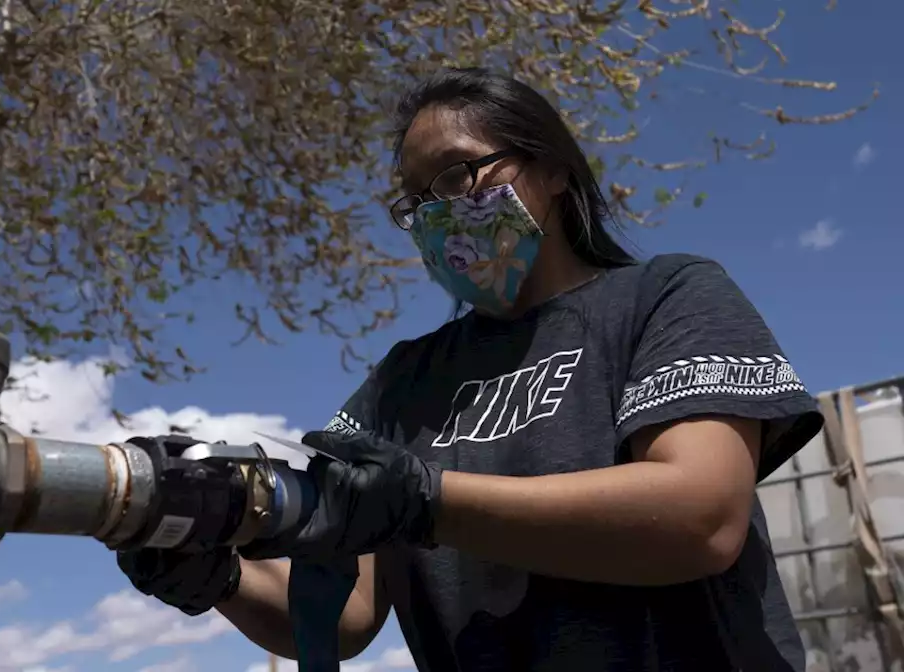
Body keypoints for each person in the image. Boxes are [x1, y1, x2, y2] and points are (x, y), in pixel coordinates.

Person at [117, 67, 824, 671]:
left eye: (458, 173)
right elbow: (350, 610)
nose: (438, 212)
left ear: (552, 169)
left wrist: (428, 501)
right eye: (417, 199)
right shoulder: (402, 382)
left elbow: (701, 517)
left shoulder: (666, 297)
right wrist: (216, 575)